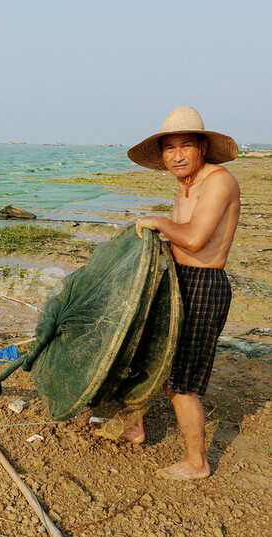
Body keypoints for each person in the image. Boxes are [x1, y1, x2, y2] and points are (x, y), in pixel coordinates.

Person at [126, 106, 240, 480]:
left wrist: (157, 220)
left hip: (204, 286)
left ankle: (197, 463)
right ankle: (135, 425)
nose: (176, 155)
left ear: (203, 147)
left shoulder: (219, 181)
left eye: (185, 145)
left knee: (182, 382)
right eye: (169, 147)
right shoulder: (186, 183)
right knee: (145, 354)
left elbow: (193, 238)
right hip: (179, 281)